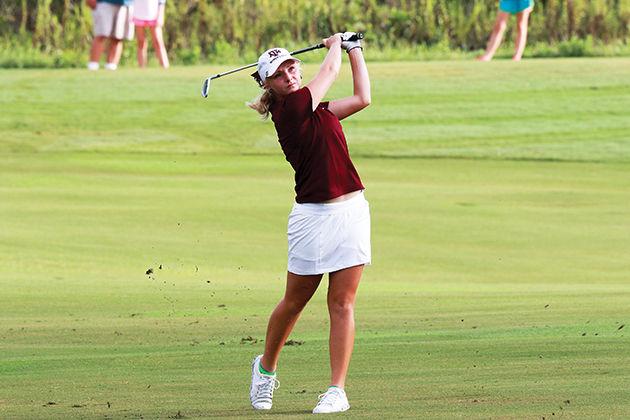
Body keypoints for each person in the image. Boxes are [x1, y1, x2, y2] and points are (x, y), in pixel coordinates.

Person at [247, 32, 371, 414]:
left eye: (291, 66)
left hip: (351, 211)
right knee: (296, 301)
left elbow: (364, 97)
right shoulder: (291, 110)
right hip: (312, 219)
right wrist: (335, 45)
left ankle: (337, 390)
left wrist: (355, 50)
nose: (289, 74)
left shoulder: (318, 109)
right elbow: (329, 70)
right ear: (269, 85)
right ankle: (265, 370)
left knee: (343, 303)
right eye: (279, 73)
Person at [86, 0, 134, 70]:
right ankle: (93, 66)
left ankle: (111, 66)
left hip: (126, 4)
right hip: (104, 3)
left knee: (118, 37)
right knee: (101, 34)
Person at [133, 0, 169, 68]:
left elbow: (162, 1)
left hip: (154, 13)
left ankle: (165, 67)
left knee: (158, 41)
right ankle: (142, 68)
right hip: (138, 13)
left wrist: (160, 13)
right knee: (141, 41)